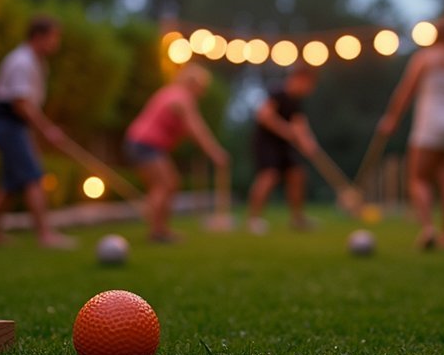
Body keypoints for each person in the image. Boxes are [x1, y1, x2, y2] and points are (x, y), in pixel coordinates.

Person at [377, 20, 444, 250]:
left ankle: (428, 228)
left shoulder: (425, 58)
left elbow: (405, 91)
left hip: (431, 122)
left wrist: (392, 119)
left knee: (418, 179)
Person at [0, 16, 74, 249]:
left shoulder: (35, 61)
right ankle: (45, 235)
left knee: (11, 182)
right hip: (7, 123)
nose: (56, 43)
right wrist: (47, 129)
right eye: (54, 37)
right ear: (39, 37)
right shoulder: (22, 61)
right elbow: (20, 104)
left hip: (11, 124)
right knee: (33, 176)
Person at [125, 63, 229, 243]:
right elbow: (196, 128)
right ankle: (157, 232)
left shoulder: (171, 93)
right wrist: (214, 152)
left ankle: (159, 229)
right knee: (165, 185)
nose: (202, 92)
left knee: (168, 184)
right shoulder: (181, 98)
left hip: (142, 143)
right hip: (145, 144)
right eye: (201, 87)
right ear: (192, 83)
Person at [246, 65, 321, 234]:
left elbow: (300, 125)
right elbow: (264, 115)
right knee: (269, 176)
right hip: (266, 142)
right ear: (301, 79)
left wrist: (308, 143)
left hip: (284, 144)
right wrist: (285, 130)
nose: (310, 89)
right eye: (310, 85)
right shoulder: (278, 92)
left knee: (297, 174)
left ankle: (297, 219)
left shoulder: (296, 100)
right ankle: (253, 219)